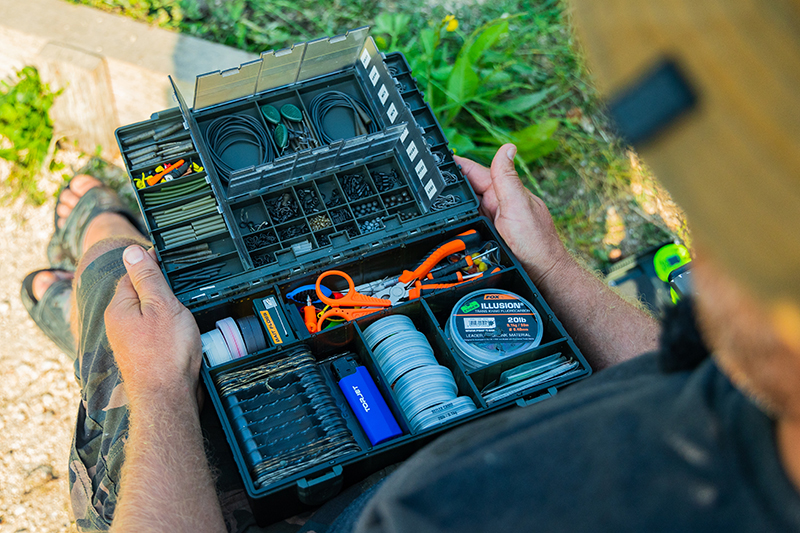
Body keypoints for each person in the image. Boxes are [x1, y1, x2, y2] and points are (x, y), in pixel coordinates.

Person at [20, 0, 800, 530]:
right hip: (470, 412)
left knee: (119, 289)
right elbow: (694, 377)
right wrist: (550, 263)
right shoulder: (755, 395)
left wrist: (158, 389)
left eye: (730, 238)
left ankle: (90, 232)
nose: (695, 265)